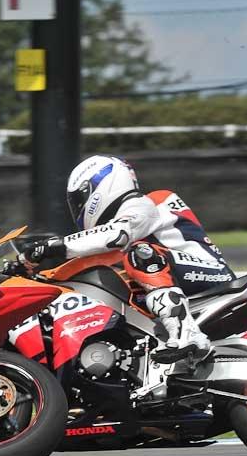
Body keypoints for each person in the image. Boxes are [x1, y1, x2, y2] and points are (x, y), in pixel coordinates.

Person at [19, 155, 234, 364]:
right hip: (179, 275)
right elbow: (89, 258)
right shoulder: (119, 227)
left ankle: (188, 335)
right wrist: (40, 276)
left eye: (79, 200)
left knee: (141, 254)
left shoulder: (145, 203)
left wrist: (51, 247)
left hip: (211, 271)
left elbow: (116, 235)